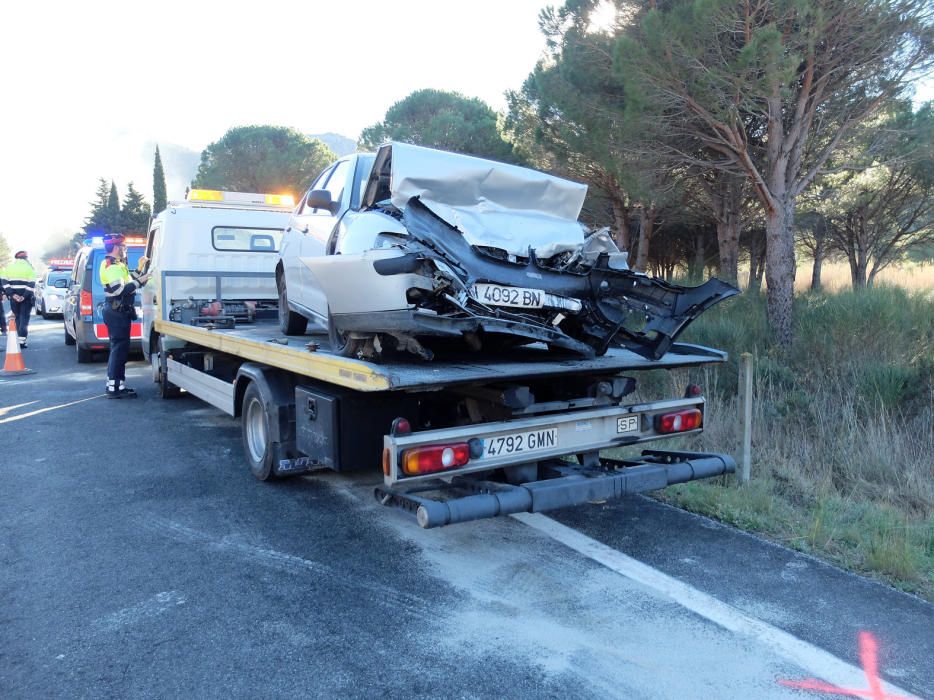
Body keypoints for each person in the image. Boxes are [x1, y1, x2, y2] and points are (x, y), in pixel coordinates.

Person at [98, 235, 150, 398]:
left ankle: (116, 385)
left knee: (119, 349)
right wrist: (142, 280)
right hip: (117, 311)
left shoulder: (118, 265)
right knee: (119, 349)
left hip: (118, 311)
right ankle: (114, 388)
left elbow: (127, 282)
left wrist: (140, 270)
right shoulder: (111, 266)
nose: (125, 249)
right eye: (123, 246)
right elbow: (119, 290)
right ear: (116, 248)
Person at [0, 251, 37, 347]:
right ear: (26, 258)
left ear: (16, 258)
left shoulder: (9, 268)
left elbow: (4, 282)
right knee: (24, 318)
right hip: (26, 298)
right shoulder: (30, 268)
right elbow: (32, 284)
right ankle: (21, 341)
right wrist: (23, 296)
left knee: (17, 317)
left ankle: (17, 340)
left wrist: (13, 295)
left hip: (13, 298)